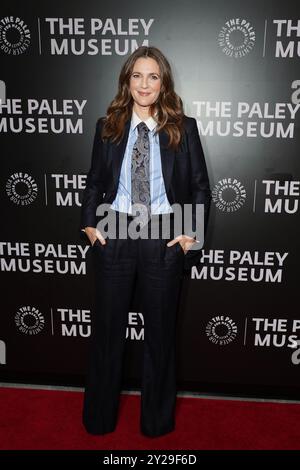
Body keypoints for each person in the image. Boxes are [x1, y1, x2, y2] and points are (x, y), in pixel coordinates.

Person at [80, 46, 210, 437]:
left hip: (162, 235)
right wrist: (90, 225)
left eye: (153, 76)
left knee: (159, 336)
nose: (144, 84)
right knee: (106, 333)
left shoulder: (182, 127)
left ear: (163, 82)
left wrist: (190, 235)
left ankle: (156, 423)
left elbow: (201, 187)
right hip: (115, 232)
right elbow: (94, 182)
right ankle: (98, 420)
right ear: (127, 80)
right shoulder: (109, 125)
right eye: (137, 75)